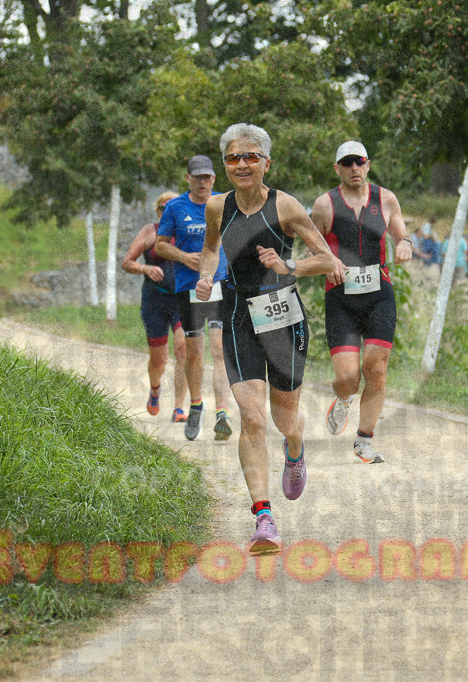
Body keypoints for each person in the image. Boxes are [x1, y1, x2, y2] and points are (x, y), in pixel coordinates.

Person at [196, 123, 335, 555]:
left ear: (266, 163)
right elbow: (210, 249)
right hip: (237, 314)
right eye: (233, 158)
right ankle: (264, 518)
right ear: (225, 165)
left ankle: (295, 445)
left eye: (250, 157)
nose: (242, 164)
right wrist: (205, 275)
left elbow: (327, 260)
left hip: (282, 317)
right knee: (253, 417)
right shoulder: (217, 206)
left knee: (283, 420)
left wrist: (289, 266)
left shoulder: (285, 207)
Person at [312, 140, 411, 465]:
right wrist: (329, 261)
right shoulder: (324, 205)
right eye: (347, 163)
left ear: (367, 165)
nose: (354, 168)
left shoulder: (386, 199)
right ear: (337, 168)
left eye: (360, 162)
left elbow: (401, 234)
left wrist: (405, 245)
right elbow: (314, 244)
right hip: (340, 297)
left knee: (377, 369)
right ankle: (343, 399)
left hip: (379, 294)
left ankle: (364, 440)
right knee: (348, 379)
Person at [156, 156, 233, 441]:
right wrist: (183, 257)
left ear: (214, 178)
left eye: (207, 177)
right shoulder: (175, 207)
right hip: (188, 286)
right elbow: (160, 245)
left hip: (220, 283)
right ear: (188, 179)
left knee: (219, 348)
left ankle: (223, 413)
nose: (203, 182)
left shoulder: (224, 203)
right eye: (198, 177)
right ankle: (197, 404)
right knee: (195, 352)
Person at [122, 191, 189, 422]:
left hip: (181, 300)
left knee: (183, 350)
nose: (167, 212)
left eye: (172, 208)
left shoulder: (186, 232)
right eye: (163, 208)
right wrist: (145, 269)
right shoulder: (150, 232)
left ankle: (179, 408)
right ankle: (155, 388)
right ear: (158, 211)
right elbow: (127, 262)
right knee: (159, 360)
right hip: (154, 301)